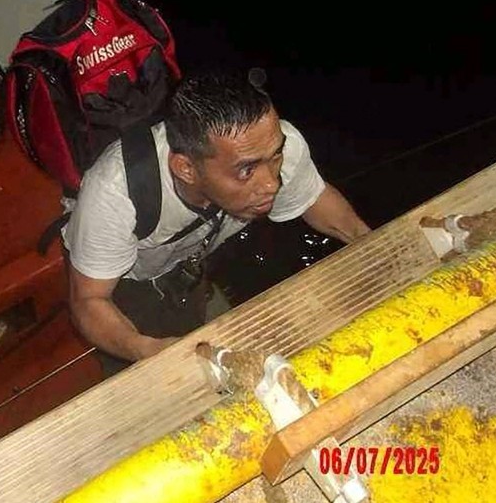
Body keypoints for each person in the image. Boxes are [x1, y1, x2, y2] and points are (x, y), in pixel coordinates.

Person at [62, 70, 370, 375]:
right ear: (186, 169)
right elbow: (89, 299)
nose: (271, 184)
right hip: (121, 277)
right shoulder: (115, 194)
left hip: (186, 254)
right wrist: (146, 349)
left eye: (275, 157)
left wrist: (370, 242)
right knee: (154, 375)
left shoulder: (268, 147)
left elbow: (316, 200)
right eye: (246, 171)